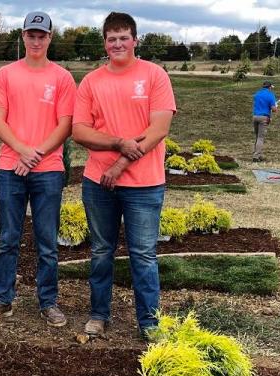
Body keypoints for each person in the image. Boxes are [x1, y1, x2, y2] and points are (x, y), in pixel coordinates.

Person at [71, 11, 176, 338]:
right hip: (98, 183)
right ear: (105, 42)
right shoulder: (91, 81)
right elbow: (79, 131)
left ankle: (149, 323)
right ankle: (99, 314)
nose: (117, 43)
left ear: (135, 40)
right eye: (111, 38)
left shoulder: (154, 75)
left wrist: (120, 163)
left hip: (144, 185)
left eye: (123, 37)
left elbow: (159, 128)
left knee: (143, 255)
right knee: (101, 251)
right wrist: (117, 143)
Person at [0, 11, 76, 327]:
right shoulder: (7, 75)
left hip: (48, 170)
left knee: (46, 241)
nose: (36, 40)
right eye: (31, 34)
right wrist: (23, 151)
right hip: (11, 167)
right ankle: (2, 299)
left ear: (50, 38)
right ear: (23, 36)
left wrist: (37, 154)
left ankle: (48, 302)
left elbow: (65, 124)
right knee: (8, 237)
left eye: (42, 35)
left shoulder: (62, 77)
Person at [252, 80, 278, 162]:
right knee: (260, 138)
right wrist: (276, 107)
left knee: (257, 137)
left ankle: (258, 154)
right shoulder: (270, 95)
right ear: (270, 87)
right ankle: (256, 156)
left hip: (255, 116)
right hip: (263, 118)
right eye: (271, 87)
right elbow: (274, 109)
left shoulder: (257, 94)